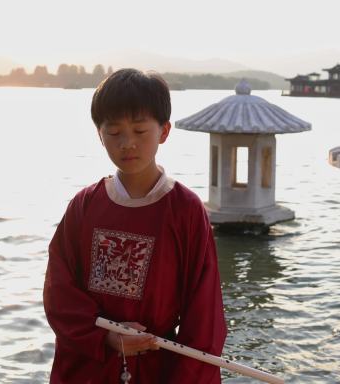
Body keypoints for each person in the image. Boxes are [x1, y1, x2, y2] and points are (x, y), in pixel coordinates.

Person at [43, 68, 227, 383]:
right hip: (90, 363)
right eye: (114, 132)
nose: (127, 143)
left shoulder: (185, 210)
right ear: (99, 135)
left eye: (140, 131)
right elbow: (59, 290)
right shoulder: (85, 205)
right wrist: (105, 337)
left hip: (158, 367)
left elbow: (204, 313)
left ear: (164, 131)